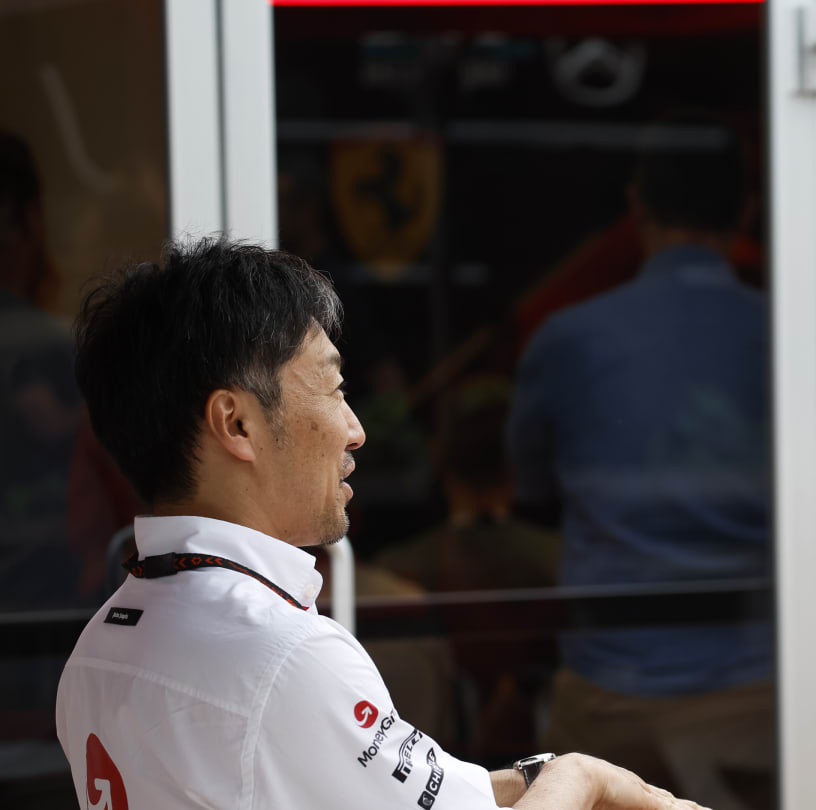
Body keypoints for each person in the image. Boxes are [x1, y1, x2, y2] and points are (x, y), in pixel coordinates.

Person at [55, 238, 705, 810]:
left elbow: (435, 790)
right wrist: (580, 775)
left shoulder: (99, 650)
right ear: (237, 423)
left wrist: (555, 780)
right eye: (334, 388)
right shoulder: (282, 657)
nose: (356, 429)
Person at [508, 114, 773, 810]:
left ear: (636, 206)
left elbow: (528, 485)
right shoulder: (784, 336)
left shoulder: (568, 337)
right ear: (744, 209)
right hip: (754, 689)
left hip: (608, 691)